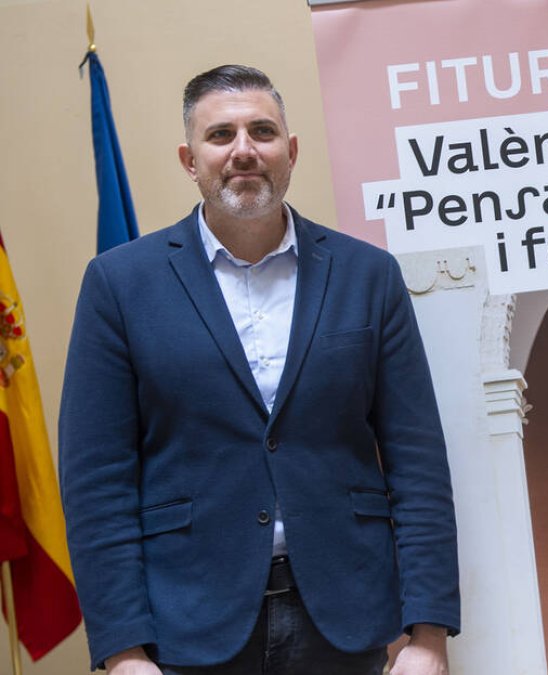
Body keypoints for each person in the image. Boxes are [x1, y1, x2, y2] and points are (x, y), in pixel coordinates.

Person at [58, 65, 459, 675]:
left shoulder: (368, 276)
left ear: (290, 151)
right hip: (187, 627)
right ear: (190, 160)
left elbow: (418, 461)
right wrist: (121, 651)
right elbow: (96, 483)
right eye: (220, 136)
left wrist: (429, 635)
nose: (243, 151)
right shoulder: (119, 284)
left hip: (346, 623)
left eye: (262, 131)